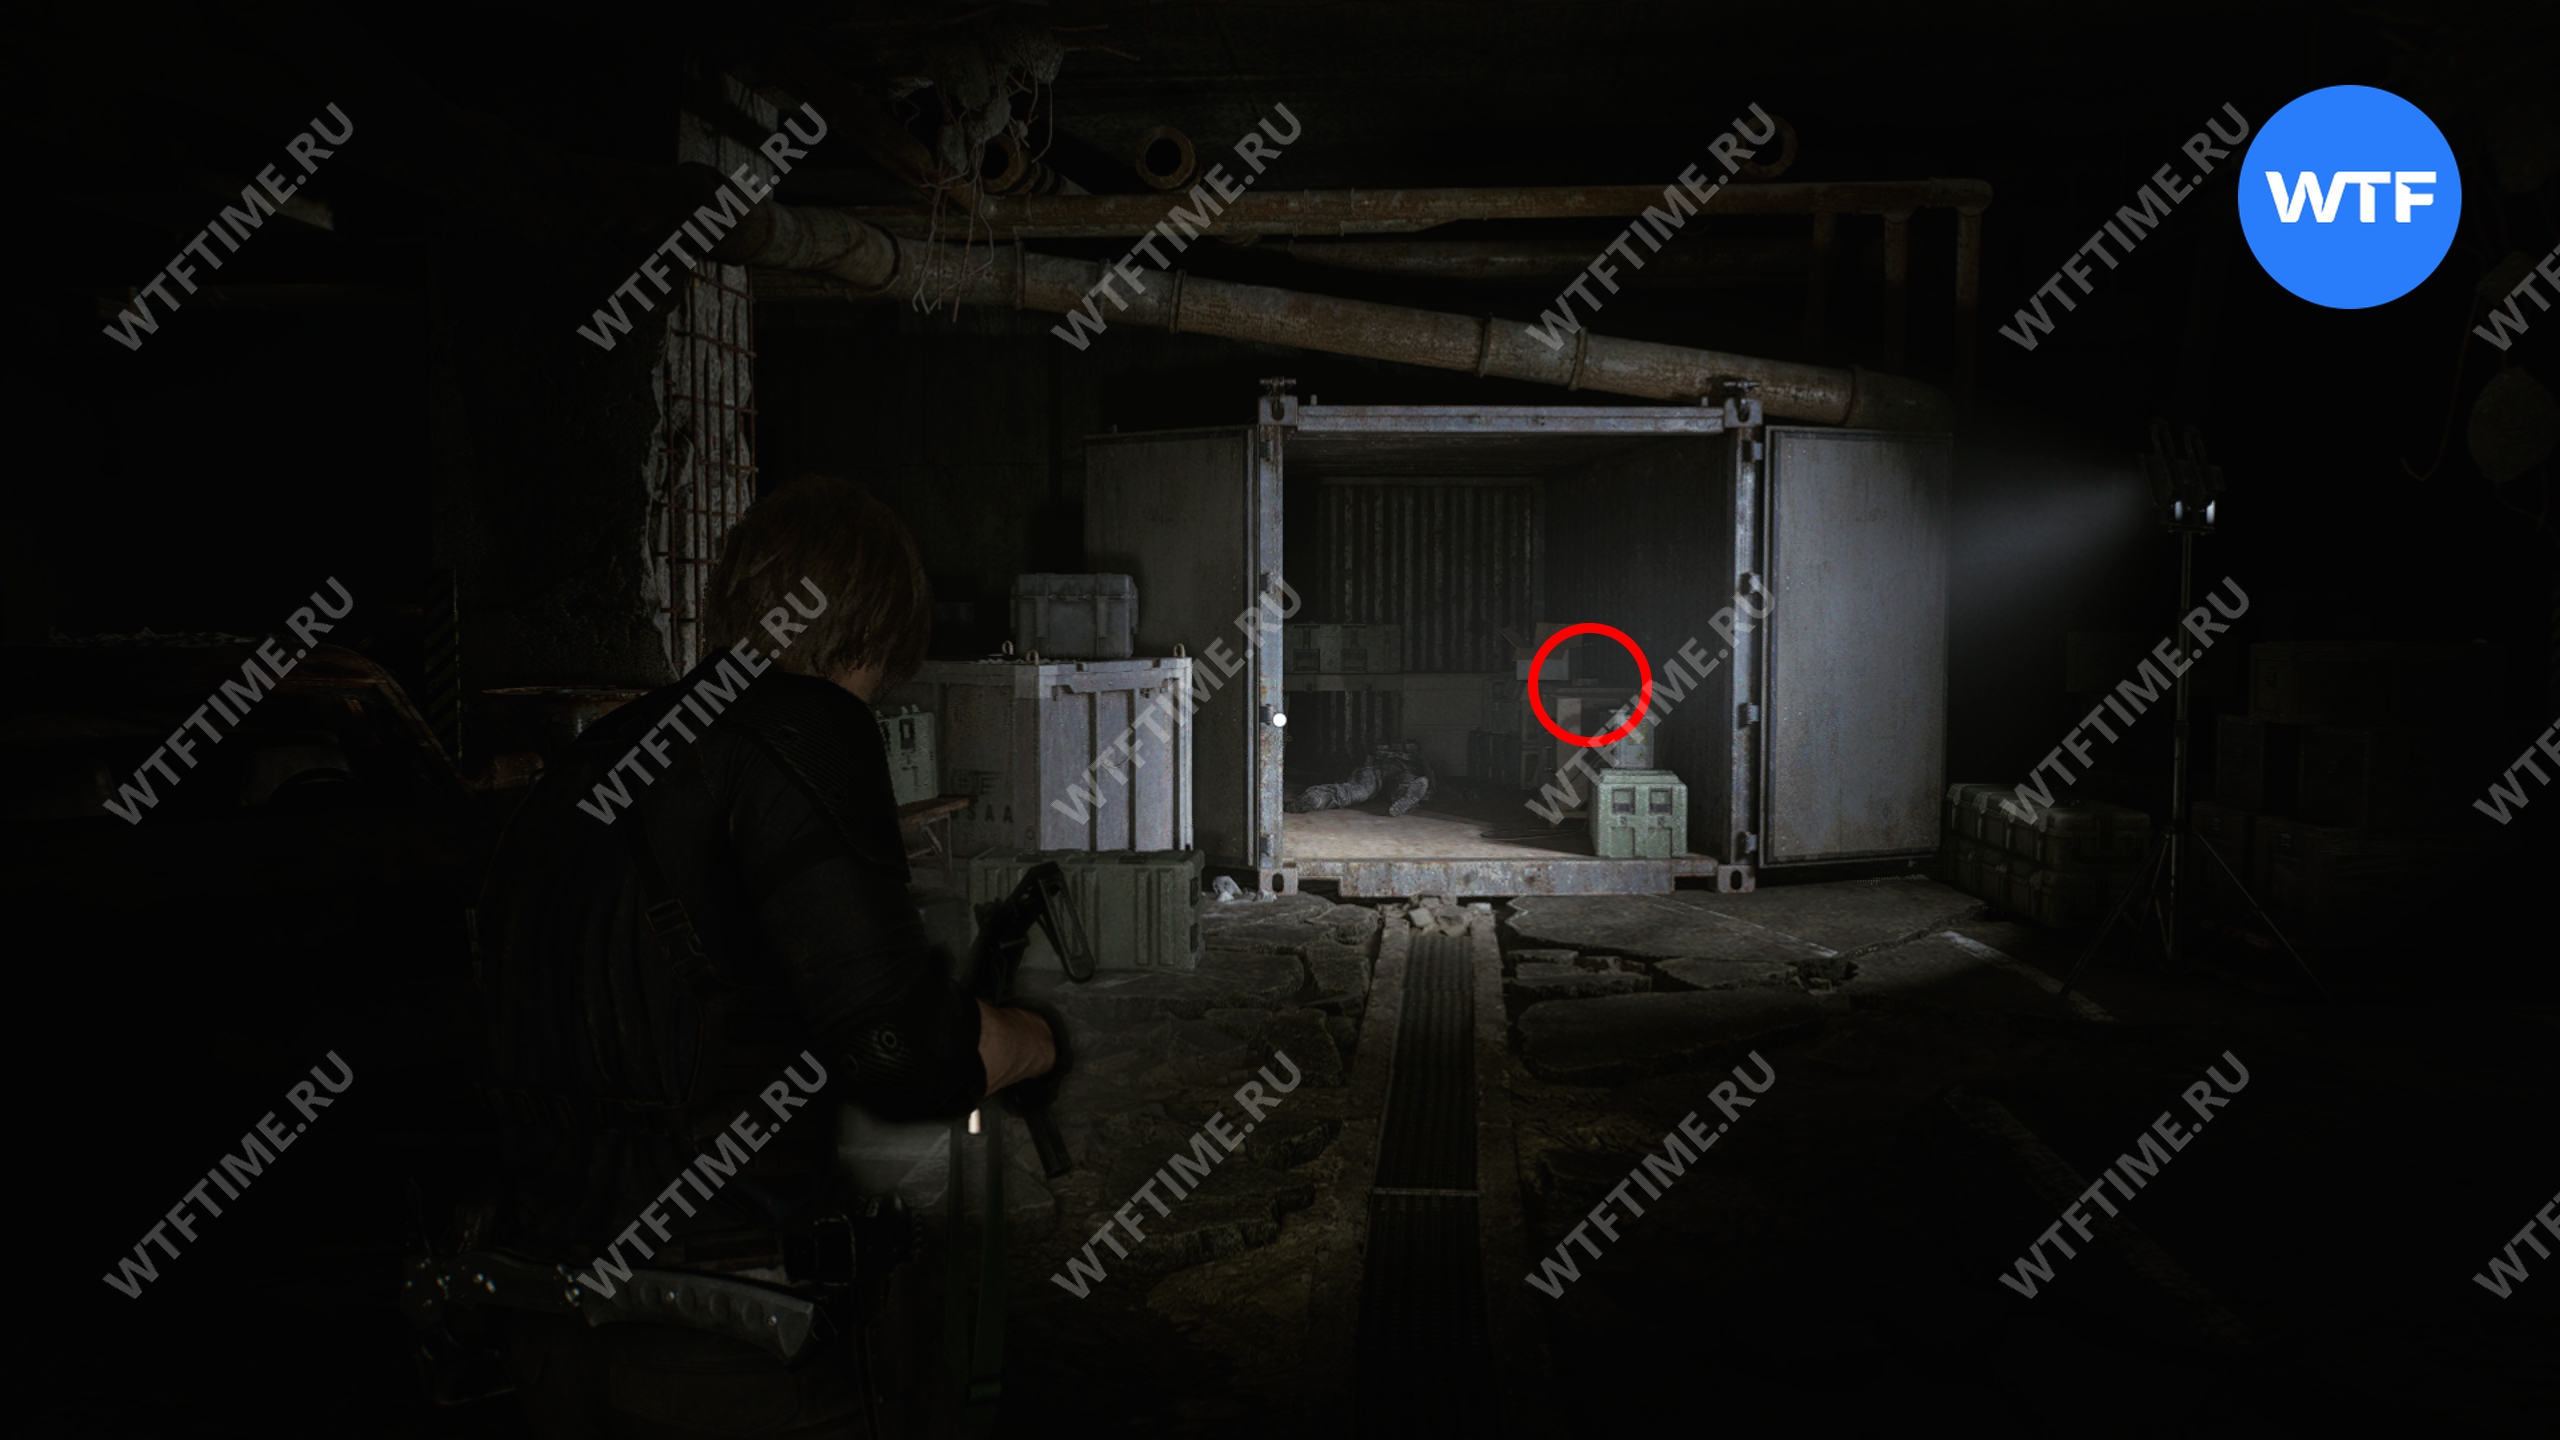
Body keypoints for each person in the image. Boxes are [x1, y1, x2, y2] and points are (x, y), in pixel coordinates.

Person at [469, 476, 1056, 1438]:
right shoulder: (803, 725)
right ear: (869, 635)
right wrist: (1031, 1040)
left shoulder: (598, 756)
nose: (875, 698)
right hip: (726, 1328)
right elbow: (899, 1048)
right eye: (881, 675)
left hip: (548, 1318)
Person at [1285, 739, 1432, 816]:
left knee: (1403, 785)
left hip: (1400, 774)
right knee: (1359, 791)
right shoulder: (1378, 756)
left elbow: (1428, 777)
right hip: (1376, 773)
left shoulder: (1416, 761)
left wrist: (1428, 790)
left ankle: (1407, 797)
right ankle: (1314, 799)